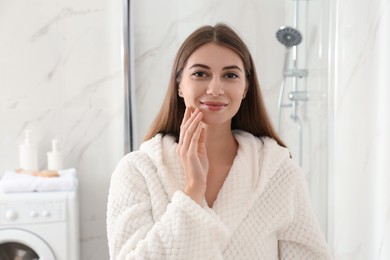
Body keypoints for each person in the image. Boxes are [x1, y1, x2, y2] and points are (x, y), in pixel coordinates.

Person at [107, 23, 331, 259]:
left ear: (246, 88)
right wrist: (193, 191)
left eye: (230, 75)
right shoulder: (137, 171)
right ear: (179, 85)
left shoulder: (278, 172)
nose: (215, 89)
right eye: (200, 74)